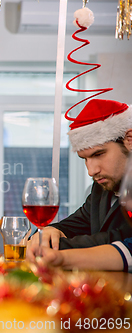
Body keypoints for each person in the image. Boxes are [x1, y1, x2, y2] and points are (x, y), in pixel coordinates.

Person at [27, 99, 132, 259]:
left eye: (98, 154)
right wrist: (52, 231)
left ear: (129, 140)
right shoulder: (101, 187)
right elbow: (78, 222)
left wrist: (53, 246)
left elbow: (122, 238)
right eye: (85, 159)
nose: (91, 171)